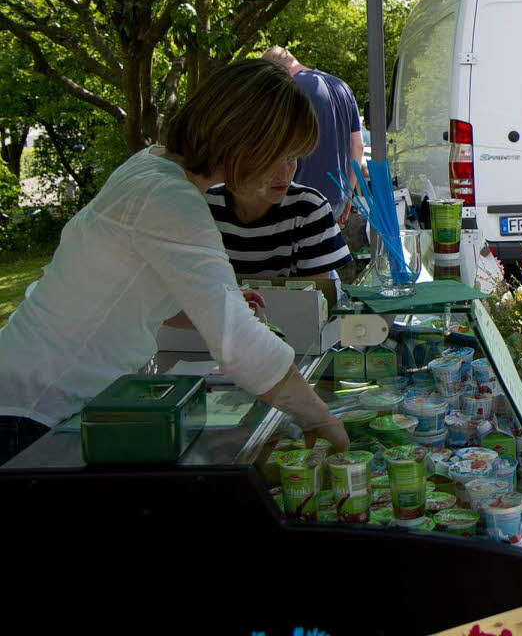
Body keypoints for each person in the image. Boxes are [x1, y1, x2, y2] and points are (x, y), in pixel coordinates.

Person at [0, 59, 350, 465]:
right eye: (281, 154)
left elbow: (128, 289)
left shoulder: (151, 168)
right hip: (29, 410)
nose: (289, 171)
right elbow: (240, 346)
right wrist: (321, 420)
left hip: (32, 395)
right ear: (243, 141)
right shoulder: (168, 197)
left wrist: (210, 304)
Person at [262, 47, 364, 225]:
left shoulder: (289, 88)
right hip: (337, 197)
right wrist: (349, 192)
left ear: (274, 70)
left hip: (298, 198)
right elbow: (358, 146)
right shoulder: (343, 87)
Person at [204, 167, 352, 283]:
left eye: (291, 158)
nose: (285, 174)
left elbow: (317, 298)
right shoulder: (206, 204)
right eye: (271, 161)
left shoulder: (309, 208)